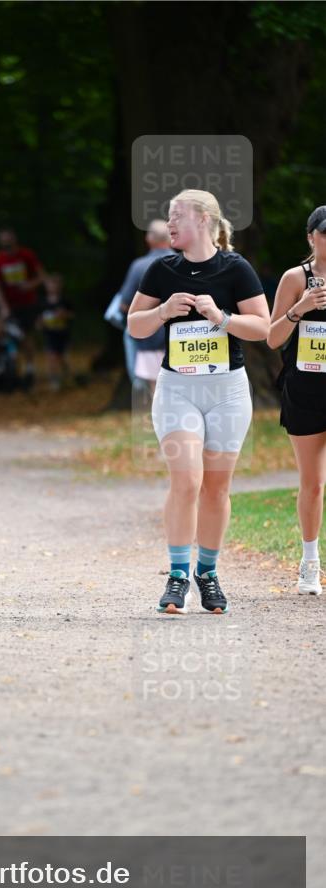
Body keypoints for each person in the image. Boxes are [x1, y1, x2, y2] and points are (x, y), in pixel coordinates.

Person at [128, 189, 270, 614]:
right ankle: (176, 576)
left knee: (216, 486)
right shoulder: (162, 269)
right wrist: (163, 312)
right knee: (187, 480)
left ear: (204, 221)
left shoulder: (235, 269)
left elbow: (263, 327)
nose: (169, 224)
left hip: (227, 391)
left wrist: (221, 318)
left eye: (177, 217)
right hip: (178, 390)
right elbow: (135, 325)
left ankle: (206, 574)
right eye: (168, 218)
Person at [267, 205, 326, 596]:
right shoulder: (295, 277)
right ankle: (310, 562)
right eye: (325, 234)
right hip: (306, 388)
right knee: (313, 483)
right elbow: (271, 338)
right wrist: (300, 308)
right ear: (311, 237)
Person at [118, 220, 173, 394]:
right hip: (182, 337)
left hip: (150, 338)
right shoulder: (184, 262)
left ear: (149, 239)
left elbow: (125, 305)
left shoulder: (139, 267)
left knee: (156, 390)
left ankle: (163, 421)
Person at [0, 228, 46, 385]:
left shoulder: (26, 255)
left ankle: (29, 370)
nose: (5, 242)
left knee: (26, 337)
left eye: (8, 239)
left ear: (14, 239)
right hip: (9, 305)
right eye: (2, 239)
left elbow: (41, 277)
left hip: (27, 304)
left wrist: (30, 285)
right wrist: (4, 307)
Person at [36, 273, 74, 390]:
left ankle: (67, 376)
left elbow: (72, 315)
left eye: (55, 284)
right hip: (49, 334)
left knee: (62, 357)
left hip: (63, 334)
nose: (53, 287)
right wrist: (40, 323)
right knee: (51, 357)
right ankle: (54, 381)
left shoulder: (65, 301)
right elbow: (39, 320)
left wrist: (64, 315)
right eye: (50, 284)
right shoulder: (43, 302)